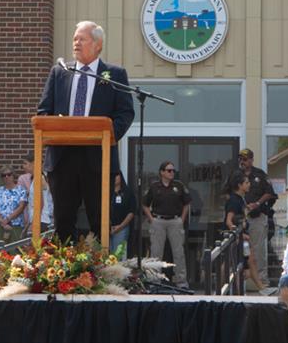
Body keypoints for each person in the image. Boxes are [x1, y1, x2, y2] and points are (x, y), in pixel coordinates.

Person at [38, 20, 134, 242]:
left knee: (100, 222)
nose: (76, 43)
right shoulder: (59, 72)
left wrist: (108, 136)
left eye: (82, 39)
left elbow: (125, 113)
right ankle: (62, 272)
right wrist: (55, 127)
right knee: (62, 221)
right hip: (63, 158)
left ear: (98, 45)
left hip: (98, 158)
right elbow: (43, 111)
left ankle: (102, 273)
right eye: (74, 39)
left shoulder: (114, 74)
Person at [143, 160, 191, 288]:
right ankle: (154, 282)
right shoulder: (154, 187)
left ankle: (181, 282)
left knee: (178, 253)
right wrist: (152, 219)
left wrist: (182, 219)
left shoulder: (179, 186)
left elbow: (187, 203)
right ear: (162, 172)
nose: (172, 173)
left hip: (175, 221)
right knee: (156, 253)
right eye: (169, 170)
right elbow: (145, 204)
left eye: (173, 170)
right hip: (158, 221)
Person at [223, 171, 271, 294]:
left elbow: (241, 216)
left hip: (244, 237)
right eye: (246, 182)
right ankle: (231, 288)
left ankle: (261, 287)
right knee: (235, 265)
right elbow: (229, 221)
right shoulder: (234, 200)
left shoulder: (241, 199)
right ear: (240, 185)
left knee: (250, 262)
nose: (249, 184)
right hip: (238, 238)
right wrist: (239, 235)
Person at [238, 147, 277, 286]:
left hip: (256, 217)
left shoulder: (259, 174)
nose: (243, 161)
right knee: (238, 250)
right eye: (241, 159)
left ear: (251, 160)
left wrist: (257, 203)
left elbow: (270, 193)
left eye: (245, 159)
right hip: (240, 219)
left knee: (258, 250)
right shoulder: (236, 175)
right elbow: (226, 192)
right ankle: (238, 281)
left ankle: (261, 282)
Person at [20, 153, 54, 236]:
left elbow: (40, 203)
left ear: (34, 163)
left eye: (25, 163)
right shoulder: (36, 178)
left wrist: (34, 223)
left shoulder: (39, 178)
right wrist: (28, 224)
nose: (23, 166)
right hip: (38, 220)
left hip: (41, 220)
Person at [0, 166, 27, 243]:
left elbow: (21, 207)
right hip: (0, 225)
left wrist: (7, 219)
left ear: (13, 175)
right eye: (4, 175)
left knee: (15, 251)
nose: (6, 177)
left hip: (16, 224)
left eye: (9, 174)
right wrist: (2, 221)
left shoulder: (21, 190)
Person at [110, 171, 136, 258]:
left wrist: (120, 226)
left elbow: (131, 212)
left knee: (117, 256)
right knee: (104, 256)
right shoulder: (106, 191)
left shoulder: (128, 193)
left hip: (121, 229)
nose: (114, 178)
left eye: (116, 176)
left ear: (121, 177)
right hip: (106, 228)